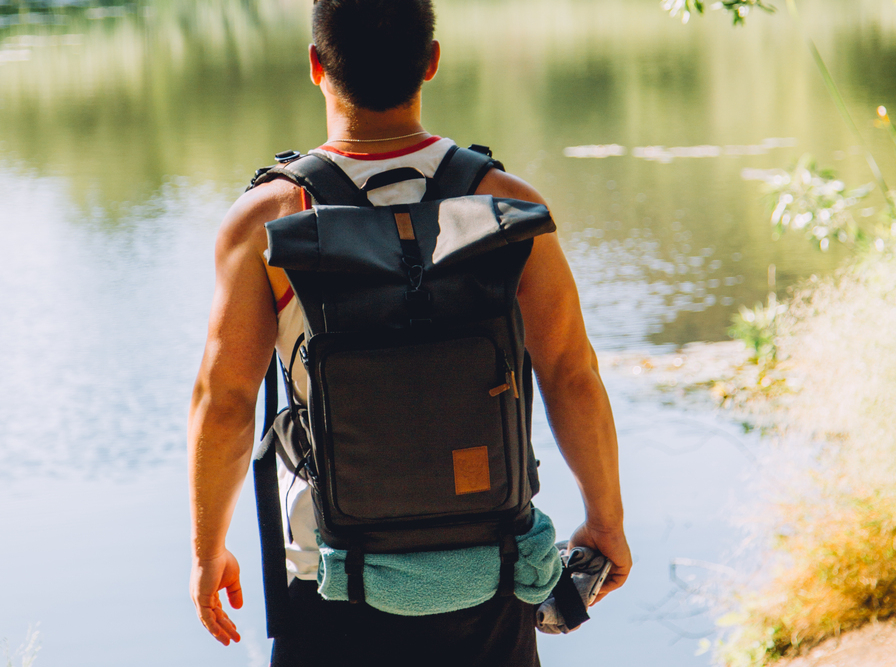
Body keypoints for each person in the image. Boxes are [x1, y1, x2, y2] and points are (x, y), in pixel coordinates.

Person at [187, 1, 631, 665]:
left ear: (315, 66)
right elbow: (570, 372)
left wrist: (207, 551)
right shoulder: (507, 207)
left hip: (330, 580)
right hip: (490, 575)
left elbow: (224, 403)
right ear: (431, 62)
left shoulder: (267, 221)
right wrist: (606, 521)